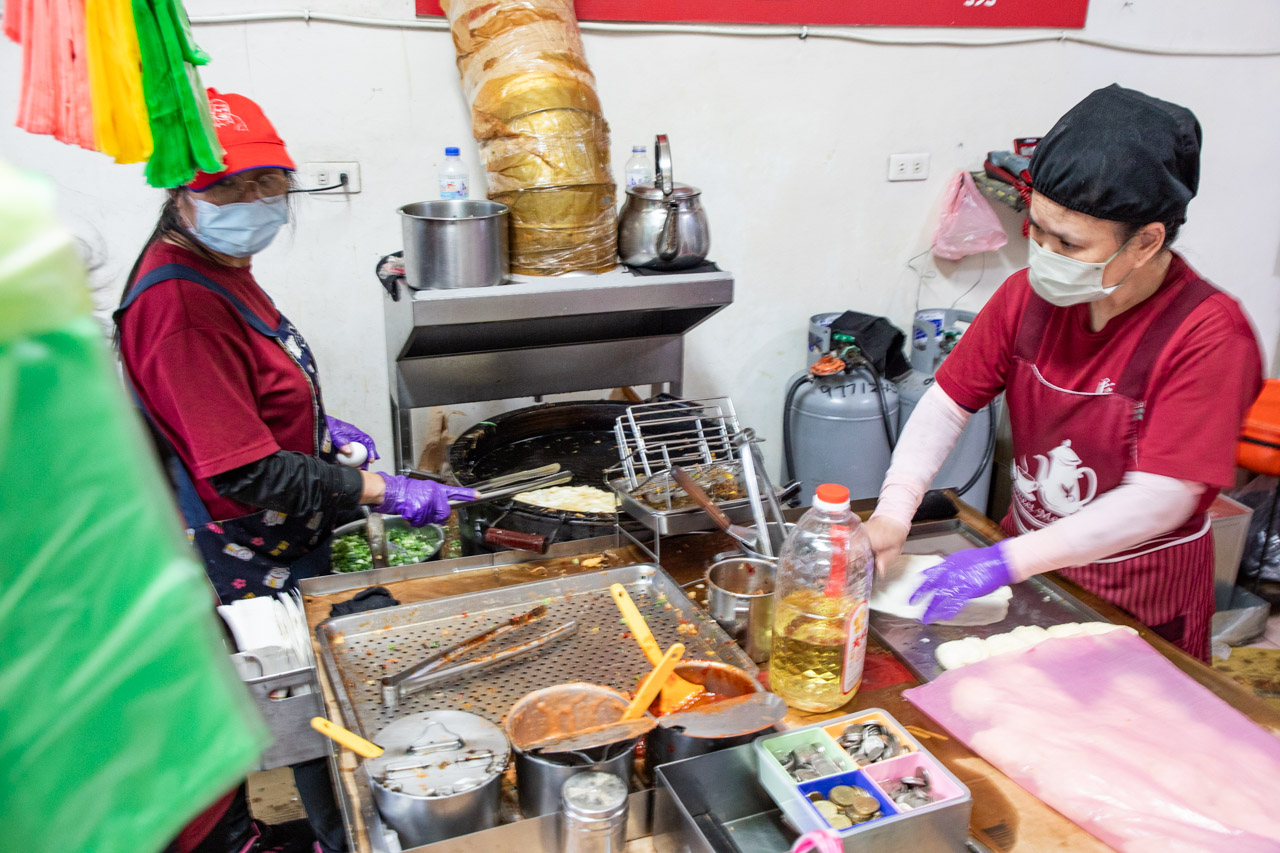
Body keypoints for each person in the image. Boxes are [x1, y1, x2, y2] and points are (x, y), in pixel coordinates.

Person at [113, 89, 474, 852]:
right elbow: (247, 472)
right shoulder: (177, 300)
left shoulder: (220, 262)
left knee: (317, 700)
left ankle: (332, 828)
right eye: (227, 185)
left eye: (267, 180)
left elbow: (238, 392)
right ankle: (338, 837)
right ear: (179, 191)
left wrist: (312, 427)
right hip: (250, 539)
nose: (254, 199)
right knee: (306, 708)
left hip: (283, 527)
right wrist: (383, 487)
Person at [864, 84, 1263, 662]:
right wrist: (894, 511)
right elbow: (948, 401)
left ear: (1147, 241)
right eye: (1038, 229)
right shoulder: (1026, 297)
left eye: (1069, 243)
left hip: (1137, 598)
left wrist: (1005, 561)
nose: (1044, 253)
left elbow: (1161, 498)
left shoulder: (1209, 335)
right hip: (1030, 574)